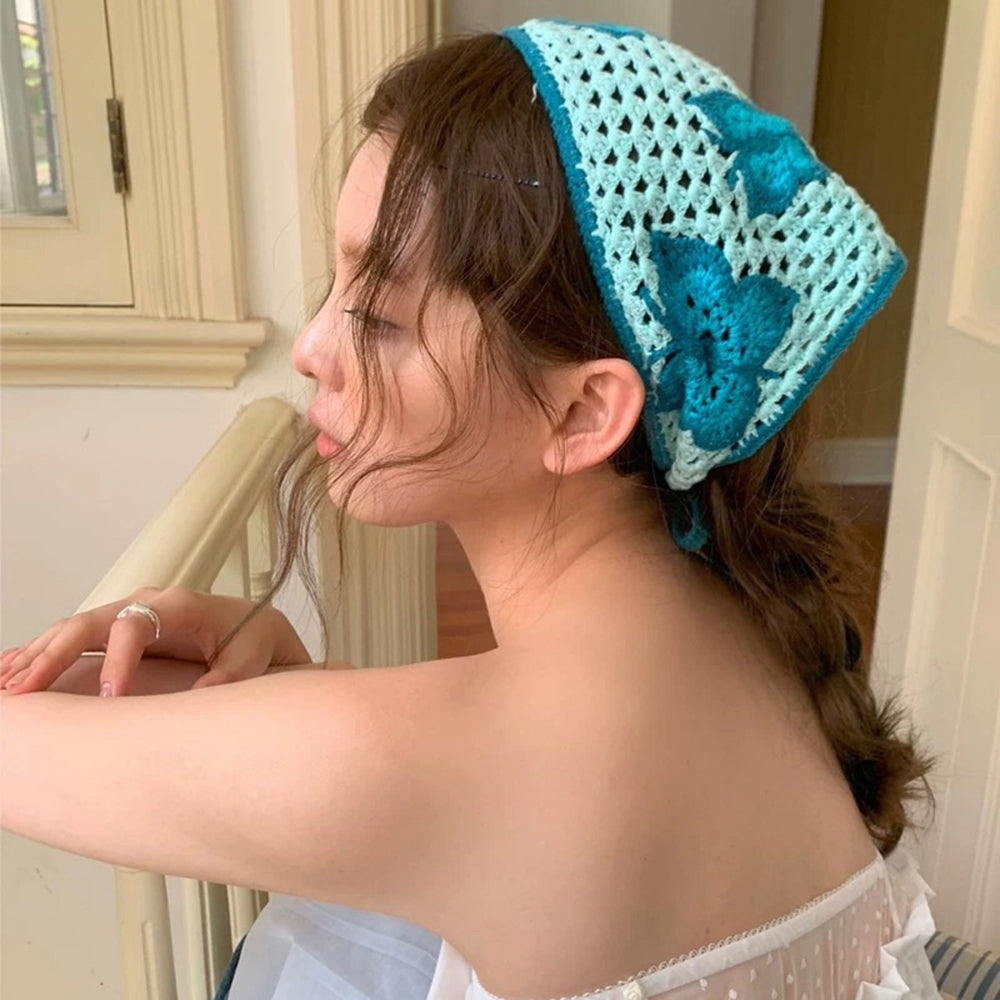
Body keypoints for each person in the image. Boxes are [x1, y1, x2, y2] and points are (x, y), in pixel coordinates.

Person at [0, 18, 943, 1000]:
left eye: (378, 317)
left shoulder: (451, 763)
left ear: (582, 412)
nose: (312, 348)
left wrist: (296, 714)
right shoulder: (749, 634)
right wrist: (288, 688)